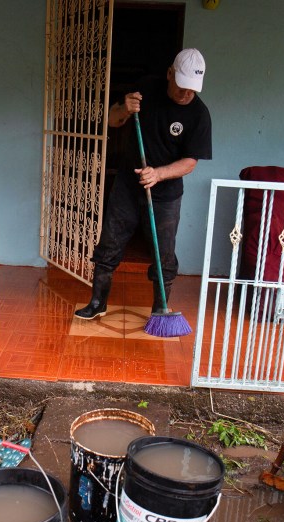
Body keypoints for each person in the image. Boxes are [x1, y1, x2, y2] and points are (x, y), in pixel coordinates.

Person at [74, 48, 212, 320]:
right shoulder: (146, 88)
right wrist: (124, 108)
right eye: (182, 86)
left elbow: (190, 162)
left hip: (166, 194)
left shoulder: (199, 114)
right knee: (109, 243)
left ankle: (160, 309)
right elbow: (113, 121)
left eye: (192, 89)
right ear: (170, 74)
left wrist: (158, 174)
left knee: (164, 254)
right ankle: (98, 302)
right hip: (127, 185)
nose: (186, 94)